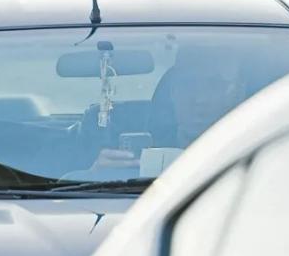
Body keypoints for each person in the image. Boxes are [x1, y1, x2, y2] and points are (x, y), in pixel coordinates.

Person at [84, 52, 248, 177]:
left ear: (237, 93)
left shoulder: (258, 154)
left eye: (214, 85)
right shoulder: (138, 155)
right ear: (172, 93)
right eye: (188, 85)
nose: (200, 98)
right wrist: (94, 177)